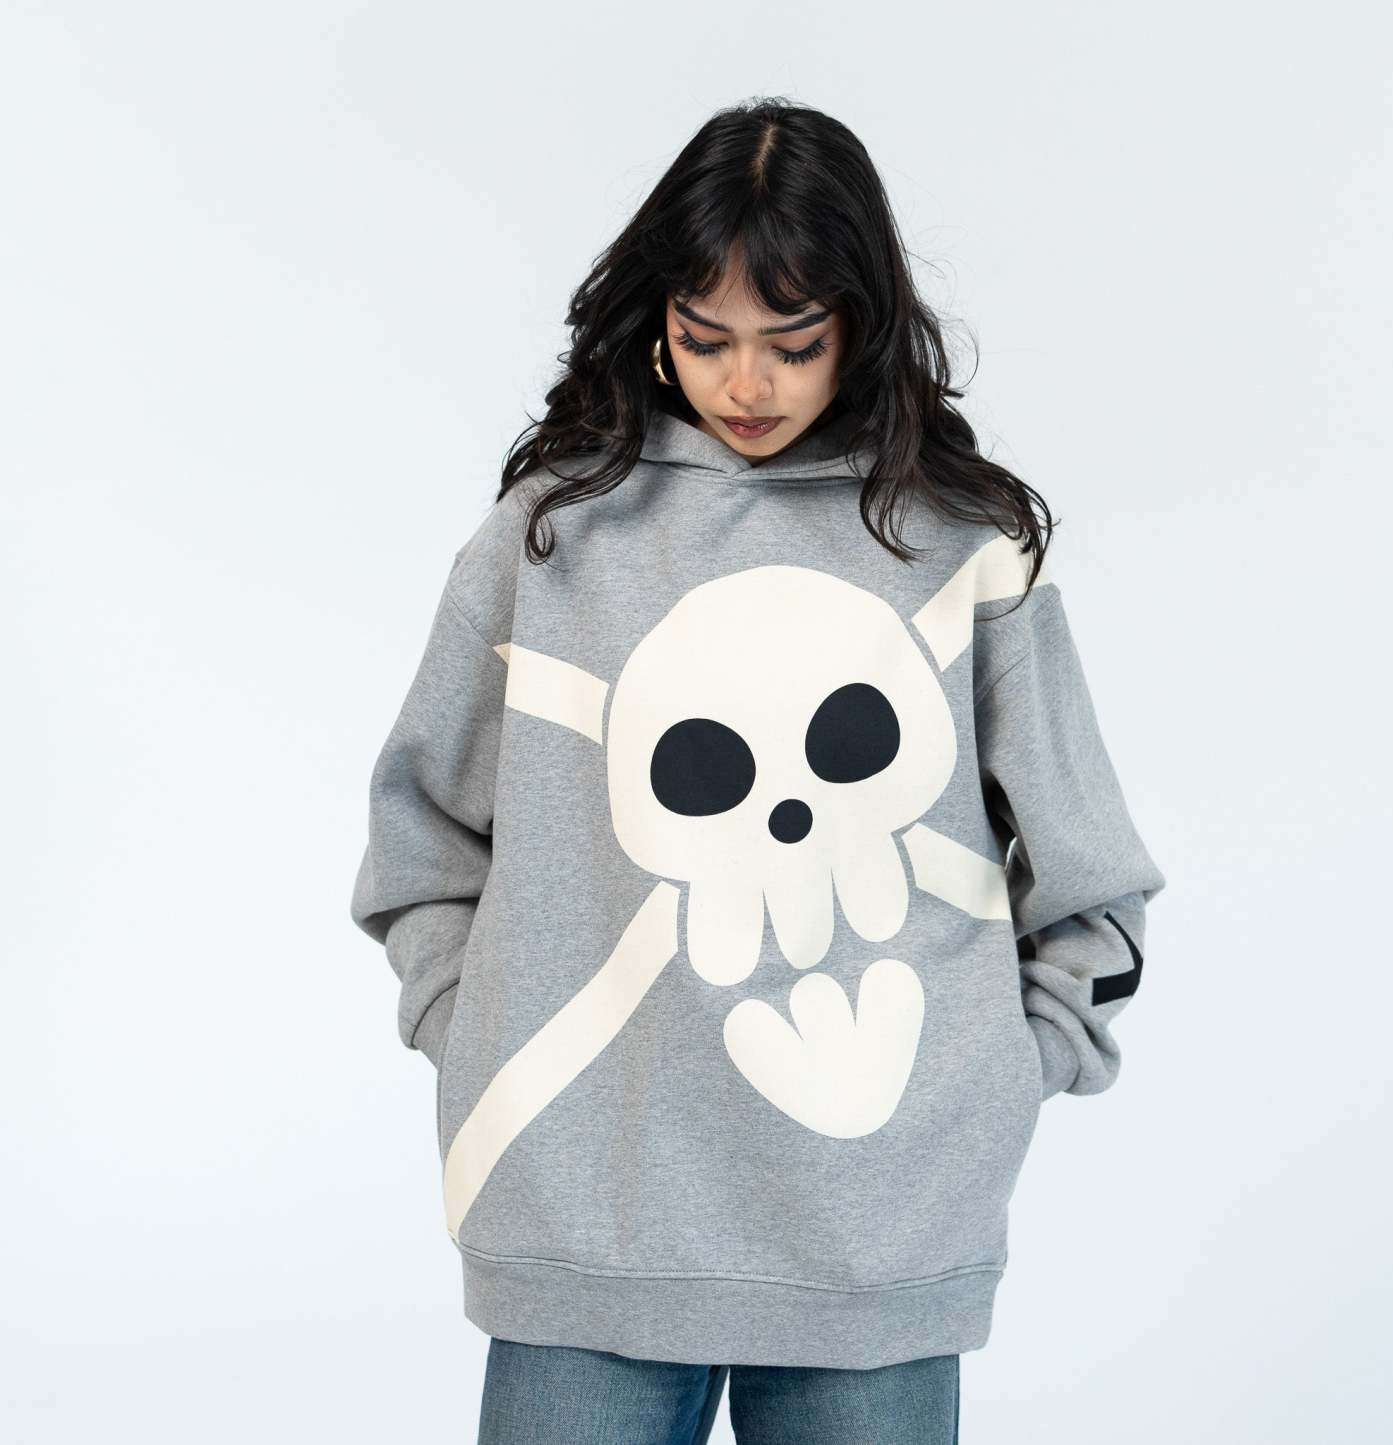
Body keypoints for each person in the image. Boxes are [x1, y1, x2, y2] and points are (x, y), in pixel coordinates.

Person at [349, 96, 1166, 1445]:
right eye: (705, 338)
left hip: (882, 1236)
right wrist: (473, 1021)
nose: (747, 386)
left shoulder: (961, 546)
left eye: (793, 344)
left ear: (861, 324)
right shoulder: (547, 538)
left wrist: (994, 1080)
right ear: (652, 320)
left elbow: (1091, 871)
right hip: (582, 1223)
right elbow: (420, 838)